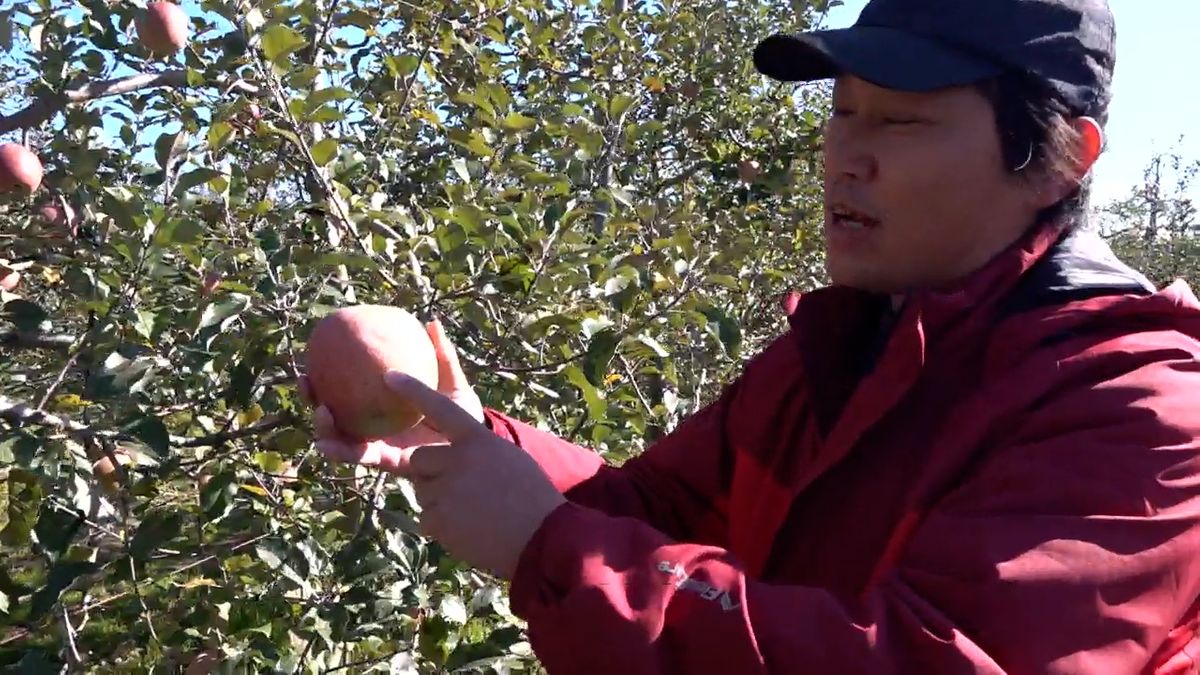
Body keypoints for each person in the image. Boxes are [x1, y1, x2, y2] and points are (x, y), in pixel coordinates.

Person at [302, 0, 1200, 672]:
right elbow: (649, 506)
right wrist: (466, 435)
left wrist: (550, 545)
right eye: (843, 111)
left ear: (1061, 160)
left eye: (901, 119)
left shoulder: (1138, 404)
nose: (846, 154)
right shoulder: (842, 348)